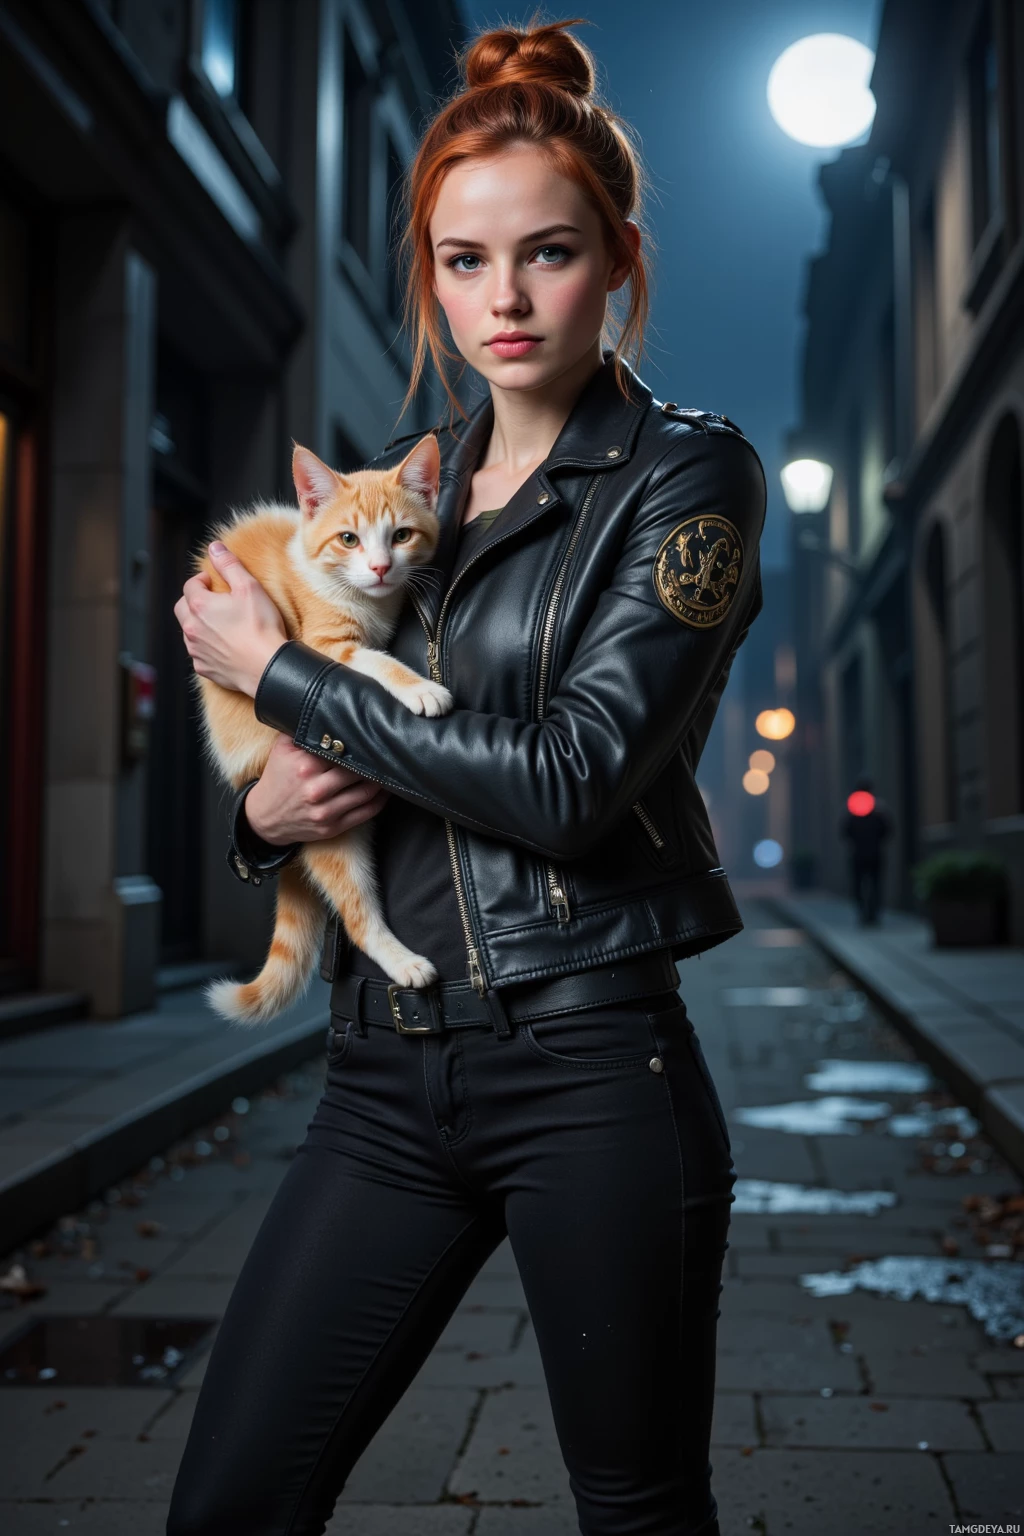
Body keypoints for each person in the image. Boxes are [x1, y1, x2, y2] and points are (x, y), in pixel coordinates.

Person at [168, 20, 766, 1536]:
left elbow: (572, 779)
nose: (501, 300)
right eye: (460, 261)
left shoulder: (684, 477)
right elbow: (309, 760)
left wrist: (283, 671)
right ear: (427, 273)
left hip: (589, 1065)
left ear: (619, 258)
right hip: (381, 1076)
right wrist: (259, 820)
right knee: (229, 1503)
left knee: (637, 1510)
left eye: (548, 253)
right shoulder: (401, 486)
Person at [840, 774, 894, 925]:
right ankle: (872, 914)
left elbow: (845, 833)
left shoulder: (852, 810)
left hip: (858, 854)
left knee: (859, 886)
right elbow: (888, 831)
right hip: (875, 853)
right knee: (876, 885)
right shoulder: (879, 810)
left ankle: (865, 914)